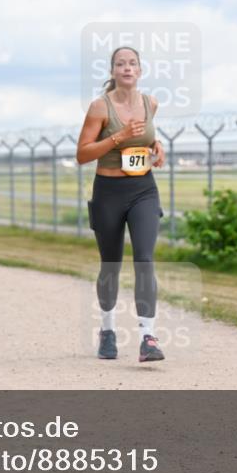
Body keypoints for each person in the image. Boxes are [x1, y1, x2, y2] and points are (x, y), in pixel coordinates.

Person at [76, 46, 166, 362]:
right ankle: (108, 330)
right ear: (113, 71)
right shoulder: (100, 107)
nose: (127, 68)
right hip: (109, 191)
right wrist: (119, 136)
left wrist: (156, 145)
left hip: (143, 190)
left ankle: (148, 338)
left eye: (132, 63)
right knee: (111, 266)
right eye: (120, 64)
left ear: (140, 70)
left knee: (144, 259)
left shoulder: (150, 103)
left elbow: (144, 138)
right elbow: (83, 154)